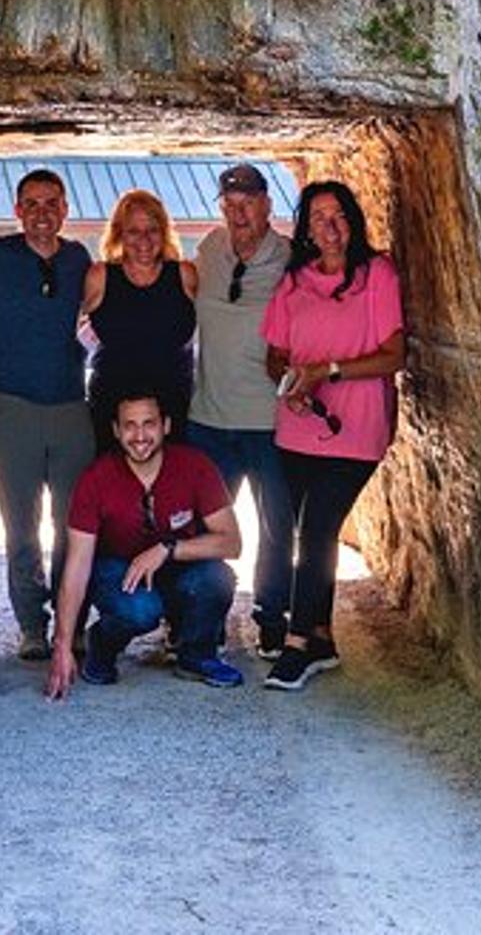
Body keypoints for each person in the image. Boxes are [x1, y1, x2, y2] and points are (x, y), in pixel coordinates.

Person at [260, 180, 405, 693]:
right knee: (304, 530)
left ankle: (296, 645)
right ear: (305, 229)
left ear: (354, 221)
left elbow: (395, 354)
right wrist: (290, 383)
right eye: (318, 217)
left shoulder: (376, 275)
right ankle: (321, 639)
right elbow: (275, 352)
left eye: (339, 214)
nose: (330, 225)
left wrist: (330, 371)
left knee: (319, 530)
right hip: (298, 426)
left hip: (357, 426)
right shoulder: (294, 282)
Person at [0, 169, 95, 661]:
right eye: (32, 204)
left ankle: (71, 618)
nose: (42, 213)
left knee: (72, 524)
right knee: (21, 525)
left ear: (64, 209)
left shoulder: (80, 259)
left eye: (51, 203)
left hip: (70, 406)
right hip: (12, 405)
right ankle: (31, 626)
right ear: (17, 211)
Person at [44, 391, 245, 698]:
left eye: (149, 424)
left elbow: (232, 542)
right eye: (129, 425)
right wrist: (62, 645)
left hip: (177, 563)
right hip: (117, 570)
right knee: (140, 610)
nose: (139, 436)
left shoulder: (195, 465)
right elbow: (76, 566)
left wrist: (168, 549)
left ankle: (196, 655)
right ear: (115, 430)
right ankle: (101, 645)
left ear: (165, 425)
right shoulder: (95, 478)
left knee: (217, 579)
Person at [187, 163, 296, 660]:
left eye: (247, 202)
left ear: (267, 205)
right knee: (205, 529)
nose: (238, 212)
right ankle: (202, 618)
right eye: (229, 204)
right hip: (208, 417)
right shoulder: (209, 249)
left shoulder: (289, 259)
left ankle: (272, 619)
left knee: (276, 526)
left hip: (270, 420)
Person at [82, 189, 198, 447]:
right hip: (112, 406)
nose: (144, 240)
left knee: (172, 484)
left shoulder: (184, 275)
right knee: (114, 484)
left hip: (173, 405)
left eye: (152, 230)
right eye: (133, 231)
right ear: (119, 234)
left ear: (164, 232)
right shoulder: (100, 276)